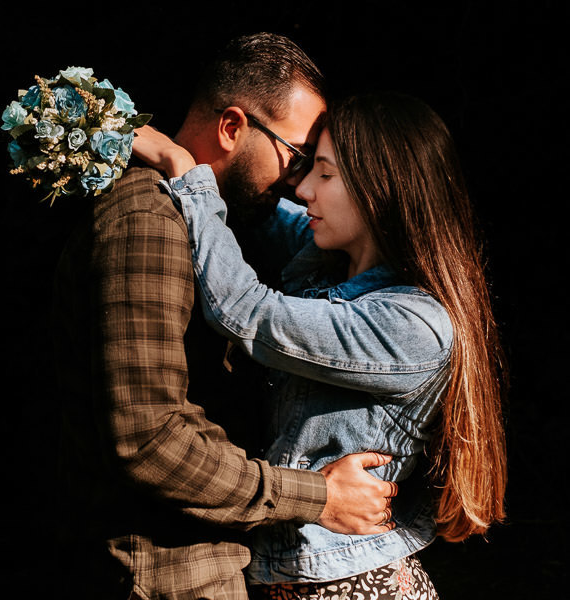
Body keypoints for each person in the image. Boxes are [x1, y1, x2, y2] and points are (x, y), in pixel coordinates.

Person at [51, 34, 399, 600]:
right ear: (233, 127)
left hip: (206, 558)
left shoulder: (215, 221)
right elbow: (149, 438)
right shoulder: (149, 221)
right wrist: (318, 497)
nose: (297, 181)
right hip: (167, 571)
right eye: (295, 156)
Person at [130, 90, 507, 599]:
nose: (303, 189)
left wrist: (183, 167)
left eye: (324, 174)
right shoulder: (329, 260)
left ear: (380, 190)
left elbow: (246, 311)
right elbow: (252, 202)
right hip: (302, 580)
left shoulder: (413, 323)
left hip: (352, 586)